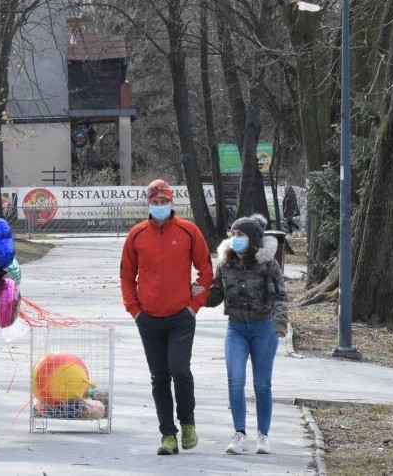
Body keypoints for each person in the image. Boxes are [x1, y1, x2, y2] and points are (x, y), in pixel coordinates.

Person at [120, 179, 214, 456]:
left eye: (164, 202)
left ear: (172, 202)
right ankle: (168, 435)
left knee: (180, 370)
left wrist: (194, 304)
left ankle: (187, 423)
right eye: (155, 202)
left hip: (180, 316)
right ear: (148, 204)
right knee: (159, 376)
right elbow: (127, 275)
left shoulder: (188, 231)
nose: (159, 206)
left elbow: (206, 270)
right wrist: (134, 310)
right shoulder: (136, 235)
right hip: (148, 318)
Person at [205, 213, 288, 455]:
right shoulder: (225, 263)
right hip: (236, 329)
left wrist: (280, 324)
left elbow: (279, 297)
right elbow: (215, 295)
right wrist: (194, 295)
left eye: (240, 235)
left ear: (252, 239)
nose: (235, 239)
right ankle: (239, 434)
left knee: (262, 385)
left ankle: (264, 435)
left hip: (264, 328)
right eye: (233, 235)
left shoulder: (268, 264)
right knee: (235, 379)